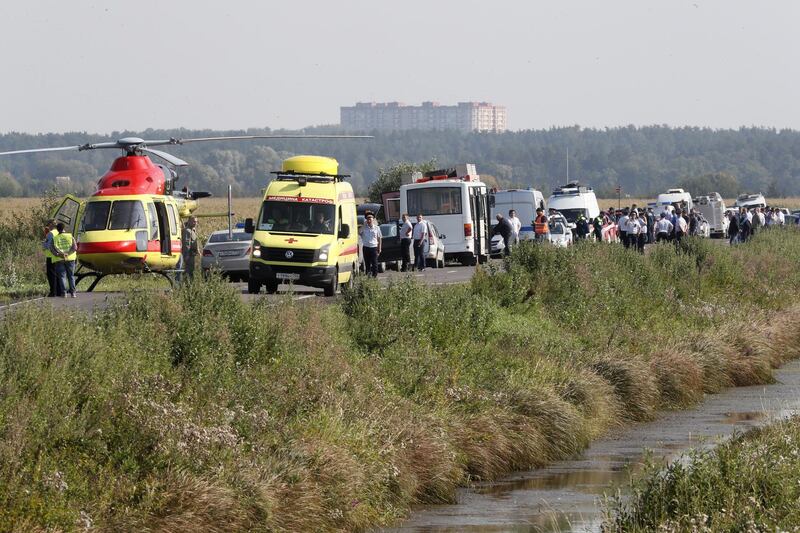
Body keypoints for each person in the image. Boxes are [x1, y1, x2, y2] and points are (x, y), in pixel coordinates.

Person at [53, 222, 77, 298]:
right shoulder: (70, 236)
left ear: (57, 229)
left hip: (60, 259)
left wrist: (59, 254)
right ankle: (73, 293)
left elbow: (52, 249)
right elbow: (75, 247)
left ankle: (64, 293)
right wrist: (68, 254)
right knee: (71, 276)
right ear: (64, 228)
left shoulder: (55, 238)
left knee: (62, 276)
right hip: (70, 259)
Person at [359, 212, 382, 277]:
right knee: (367, 263)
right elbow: (359, 232)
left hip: (374, 247)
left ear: (373, 219)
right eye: (367, 219)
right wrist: (364, 225)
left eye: (370, 218)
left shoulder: (377, 228)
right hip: (366, 248)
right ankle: (368, 277)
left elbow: (379, 238)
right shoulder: (364, 228)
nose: (369, 220)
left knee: (375, 264)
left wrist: (379, 248)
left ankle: (374, 277)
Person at [42, 218, 60, 297]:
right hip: (59, 256)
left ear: (50, 225)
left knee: (51, 275)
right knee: (58, 274)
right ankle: (59, 290)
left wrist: (44, 242)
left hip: (51, 256)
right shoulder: (59, 232)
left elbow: (47, 246)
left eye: (47, 225)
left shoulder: (50, 233)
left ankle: (53, 292)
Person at [181, 216, 199, 280]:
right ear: (189, 221)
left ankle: (189, 284)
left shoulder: (193, 230)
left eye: (196, 222)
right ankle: (187, 285)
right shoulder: (187, 231)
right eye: (194, 221)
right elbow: (186, 244)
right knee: (188, 271)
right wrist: (187, 255)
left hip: (193, 254)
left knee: (191, 270)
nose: (195, 223)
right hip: (189, 255)